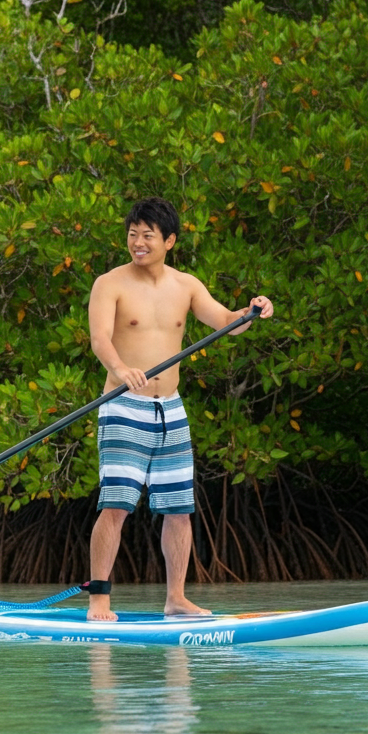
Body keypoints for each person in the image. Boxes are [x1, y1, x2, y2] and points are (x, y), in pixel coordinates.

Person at [86, 197, 273, 621]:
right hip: (123, 406)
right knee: (115, 505)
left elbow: (227, 319)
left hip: (171, 411)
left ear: (168, 240)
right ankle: (99, 598)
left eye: (147, 236)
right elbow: (100, 340)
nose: (138, 242)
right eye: (133, 234)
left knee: (179, 509)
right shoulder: (109, 283)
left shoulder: (185, 285)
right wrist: (120, 369)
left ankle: (176, 599)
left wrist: (253, 310)